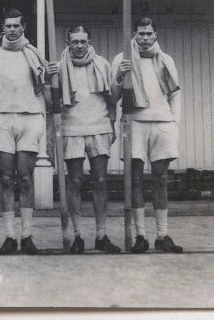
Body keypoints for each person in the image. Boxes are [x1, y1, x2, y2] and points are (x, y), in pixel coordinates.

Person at [0, 9, 46, 255]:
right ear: (2, 29)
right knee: (5, 178)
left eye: (16, 26)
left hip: (29, 117)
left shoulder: (33, 53)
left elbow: (44, 84)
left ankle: (27, 235)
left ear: (23, 27)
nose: (12, 30)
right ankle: (9, 235)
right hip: (2, 117)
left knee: (25, 178)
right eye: (8, 26)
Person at [44, 26, 121, 254]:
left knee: (100, 181)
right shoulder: (57, 68)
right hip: (71, 129)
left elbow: (113, 97)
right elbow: (50, 104)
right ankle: (76, 234)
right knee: (74, 182)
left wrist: (112, 123)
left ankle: (101, 234)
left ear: (89, 42)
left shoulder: (103, 64)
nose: (79, 46)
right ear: (68, 42)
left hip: (99, 127)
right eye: (74, 42)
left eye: (83, 42)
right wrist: (49, 81)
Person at [111, 17, 183, 254]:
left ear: (155, 35)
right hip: (135, 123)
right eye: (140, 34)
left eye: (148, 34)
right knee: (136, 180)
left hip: (162, 124)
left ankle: (162, 235)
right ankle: (140, 235)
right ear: (134, 34)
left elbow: (175, 94)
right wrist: (120, 76)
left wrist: (174, 122)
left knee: (161, 179)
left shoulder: (165, 59)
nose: (144, 38)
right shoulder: (123, 59)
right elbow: (113, 96)